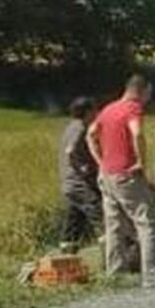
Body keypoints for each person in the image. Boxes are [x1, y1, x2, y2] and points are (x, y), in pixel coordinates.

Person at [86, 75, 155, 287]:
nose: (148, 98)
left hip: (107, 174)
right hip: (126, 173)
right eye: (148, 93)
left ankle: (115, 272)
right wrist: (141, 161)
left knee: (114, 224)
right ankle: (151, 274)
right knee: (147, 220)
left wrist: (100, 160)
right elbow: (137, 132)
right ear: (143, 90)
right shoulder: (133, 109)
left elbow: (90, 134)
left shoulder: (108, 109)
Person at [57, 96, 101, 245]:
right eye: (95, 110)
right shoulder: (80, 127)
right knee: (99, 213)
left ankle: (66, 252)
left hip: (68, 184)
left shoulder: (71, 126)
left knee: (74, 221)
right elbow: (70, 151)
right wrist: (82, 168)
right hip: (78, 183)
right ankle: (110, 254)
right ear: (88, 112)